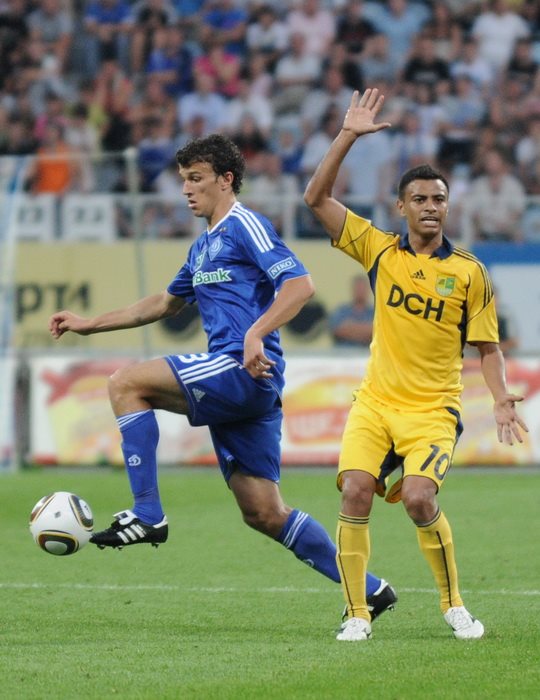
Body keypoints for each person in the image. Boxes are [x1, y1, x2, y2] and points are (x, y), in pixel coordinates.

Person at [48, 133, 396, 623]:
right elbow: (162, 304)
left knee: (125, 383)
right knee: (264, 513)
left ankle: (147, 513)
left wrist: (256, 333)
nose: (186, 189)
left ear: (226, 180)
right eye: (183, 179)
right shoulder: (203, 247)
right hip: (243, 384)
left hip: (242, 369)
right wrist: (89, 324)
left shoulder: (245, 225)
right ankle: (371, 589)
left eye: (196, 178)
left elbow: (300, 285)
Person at [304, 88, 529, 642]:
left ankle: (454, 605)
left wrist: (500, 397)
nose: (431, 206)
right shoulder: (379, 250)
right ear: (400, 207)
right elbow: (315, 198)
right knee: (355, 490)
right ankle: (357, 614)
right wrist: (348, 135)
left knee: (419, 497)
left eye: (439, 199)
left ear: (448, 207)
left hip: (432, 410)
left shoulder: (470, 273)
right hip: (376, 403)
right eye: (420, 198)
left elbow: (488, 348)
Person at [329, 274, 373, 347]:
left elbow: (378, 332)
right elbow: (337, 330)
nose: (360, 291)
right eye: (358, 288)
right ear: (353, 290)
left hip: (367, 353)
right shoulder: (341, 311)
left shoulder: (375, 313)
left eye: (363, 288)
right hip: (343, 353)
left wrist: (351, 327)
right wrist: (366, 330)